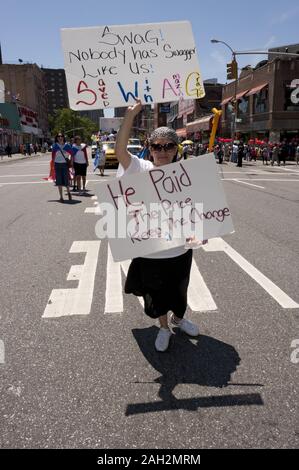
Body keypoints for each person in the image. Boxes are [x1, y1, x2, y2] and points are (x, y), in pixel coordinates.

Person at [115, 99, 201, 353]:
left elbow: (199, 207)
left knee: (180, 291)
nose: (163, 151)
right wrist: (130, 116)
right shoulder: (141, 168)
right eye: (157, 146)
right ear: (149, 148)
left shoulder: (187, 173)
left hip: (180, 250)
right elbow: (120, 151)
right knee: (157, 293)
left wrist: (202, 230)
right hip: (151, 250)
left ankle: (179, 319)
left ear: (176, 149)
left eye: (169, 146)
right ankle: (164, 328)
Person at [51, 133, 73, 202]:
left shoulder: (67, 146)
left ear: (63, 137)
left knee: (66, 180)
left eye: (61, 136)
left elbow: (72, 154)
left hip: (64, 165)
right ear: (57, 138)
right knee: (59, 181)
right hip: (57, 164)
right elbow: (53, 157)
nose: (60, 137)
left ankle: (69, 192)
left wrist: (71, 162)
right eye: (58, 136)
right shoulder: (55, 146)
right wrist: (53, 166)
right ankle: (61, 197)